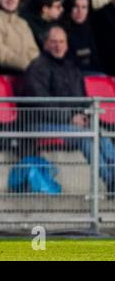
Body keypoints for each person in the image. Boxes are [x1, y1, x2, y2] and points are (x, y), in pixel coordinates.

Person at [23, 26, 115, 193]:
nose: (58, 46)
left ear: (66, 45)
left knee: (101, 135)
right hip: (41, 123)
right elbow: (41, 103)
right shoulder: (37, 68)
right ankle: (110, 181)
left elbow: (83, 98)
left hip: (70, 122)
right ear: (45, 45)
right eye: (53, 42)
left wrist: (86, 115)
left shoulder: (71, 67)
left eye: (61, 42)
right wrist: (70, 118)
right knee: (85, 137)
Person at [63, 0, 103, 75]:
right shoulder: (62, 31)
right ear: (69, 8)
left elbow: (98, 59)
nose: (80, 11)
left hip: (96, 73)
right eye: (75, 6)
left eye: (84, 7)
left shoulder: (94, 28)